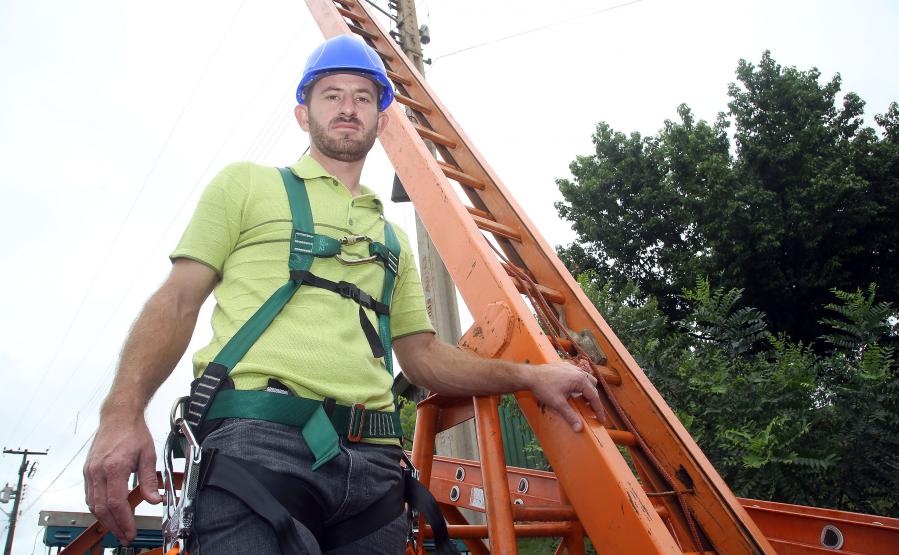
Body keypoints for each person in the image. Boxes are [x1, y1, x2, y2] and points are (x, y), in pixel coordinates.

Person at [83, 34, 605, 554]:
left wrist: (530, 376)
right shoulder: (245, 186)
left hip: (375, 466)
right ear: (302, 114)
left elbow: (423, 357)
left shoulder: (391, 239)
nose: (348, 108)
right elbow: (178, 299)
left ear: (381, 119)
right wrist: (121, 414)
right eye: (331, 95)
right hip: (260, 441)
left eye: (363, 97)